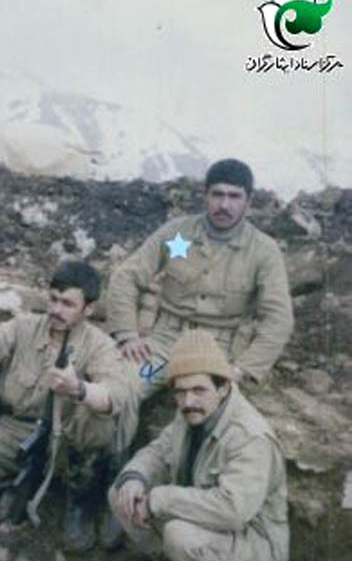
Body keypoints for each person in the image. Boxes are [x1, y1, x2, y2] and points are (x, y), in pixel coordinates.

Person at [0, 260, 137, 553]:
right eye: (53, 299)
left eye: (68, 304)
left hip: (69, 442)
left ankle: (79, 502)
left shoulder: (99, 345)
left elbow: (116, 395)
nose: (56, 310)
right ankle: (10, 482)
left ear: (88, 309)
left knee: (97, 417)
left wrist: (78, 389)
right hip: (18, 432)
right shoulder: (23, 327)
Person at [108, 329, 289, 561]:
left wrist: (158, 499)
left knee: (180, 535)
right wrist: (134, 477)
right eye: (180, 392)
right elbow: (158, 451)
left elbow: (232, 511)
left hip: (253, 543)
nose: (188, 401)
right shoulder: (191, 413)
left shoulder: (249, 438)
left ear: (223, 387)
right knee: (120, 494)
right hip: (207, 519)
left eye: (198, 390)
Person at [106, 158, 294, 400]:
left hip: (217, 355)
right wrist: (127, 334)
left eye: (234, 196)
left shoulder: (263, 251)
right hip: (162, 350)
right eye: (217, 194)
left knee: (208, 406)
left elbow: (279, 318)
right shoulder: (177, 233)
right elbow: (126, 276)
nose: (224, 205)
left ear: (248, 201)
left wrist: (243, 369)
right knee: (125, 388)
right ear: (205, 196)